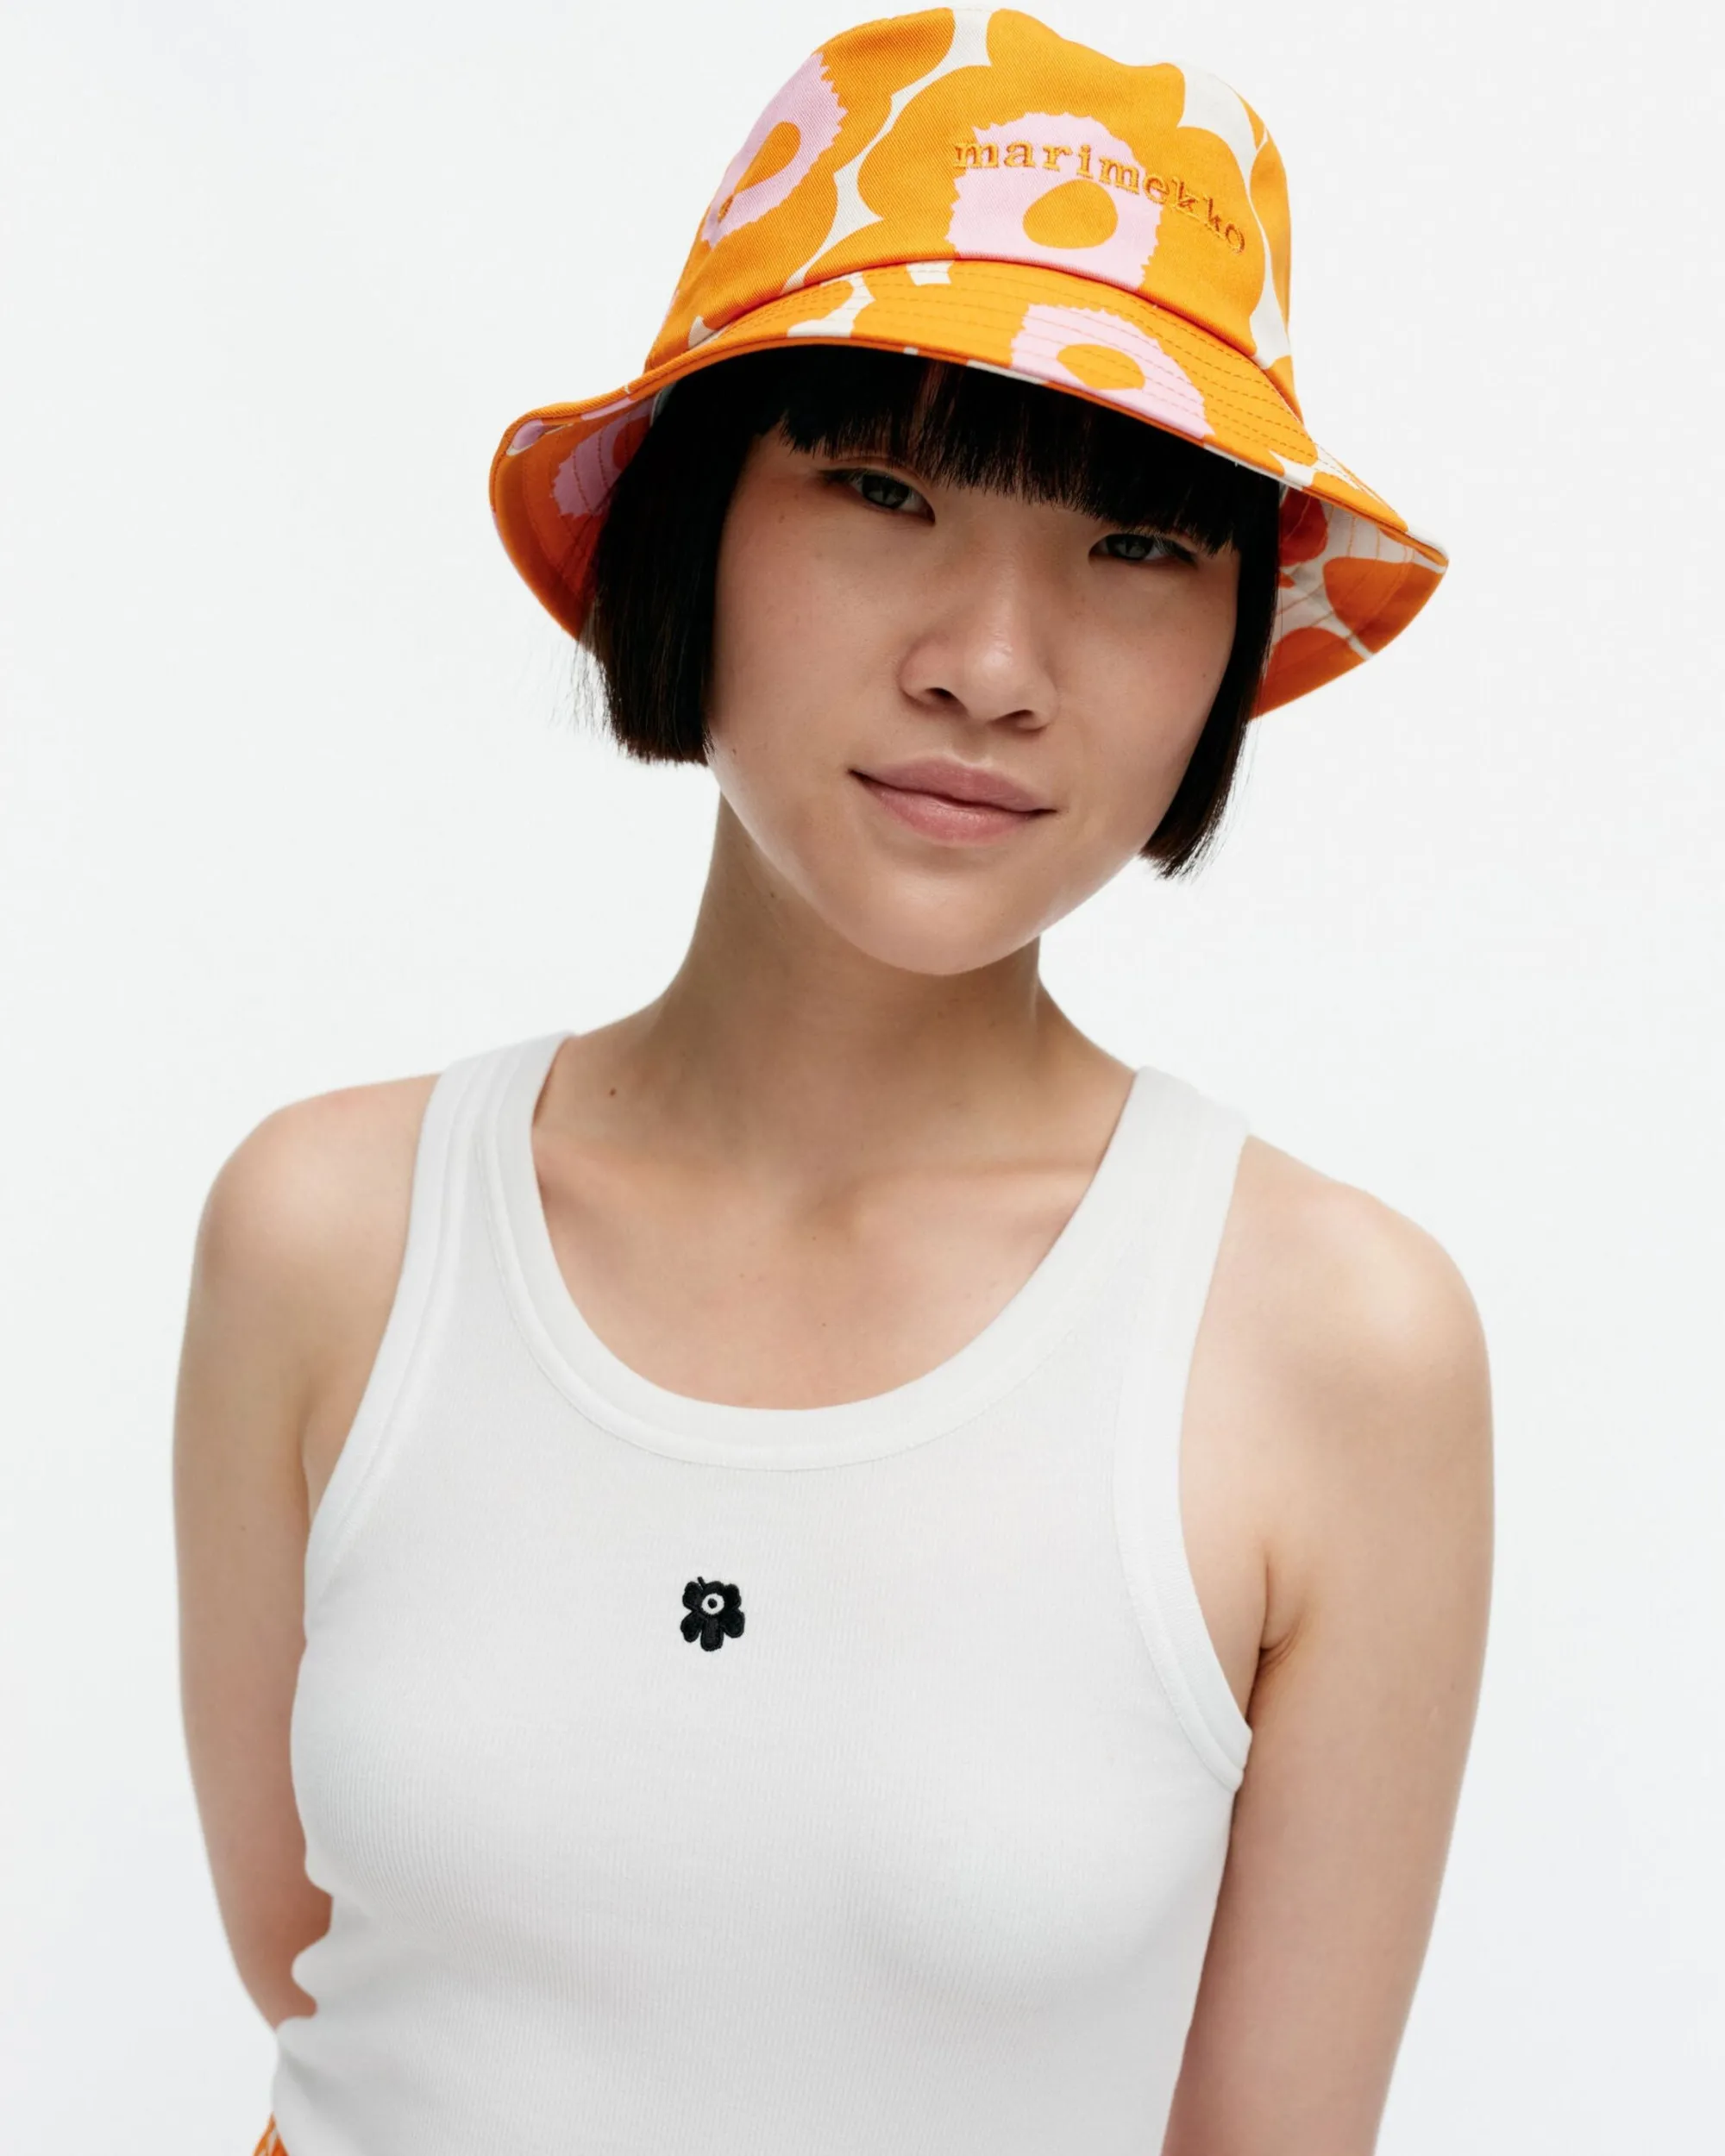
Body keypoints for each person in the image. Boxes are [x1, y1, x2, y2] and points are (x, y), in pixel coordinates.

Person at [173, 11, 1492, 2155]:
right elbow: (337, 1979)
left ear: (1233, 627)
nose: (989, 662)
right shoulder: (330, 1234)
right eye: (881, 488)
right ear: (695, 519)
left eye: (1135, 544)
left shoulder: (1330, 1345)